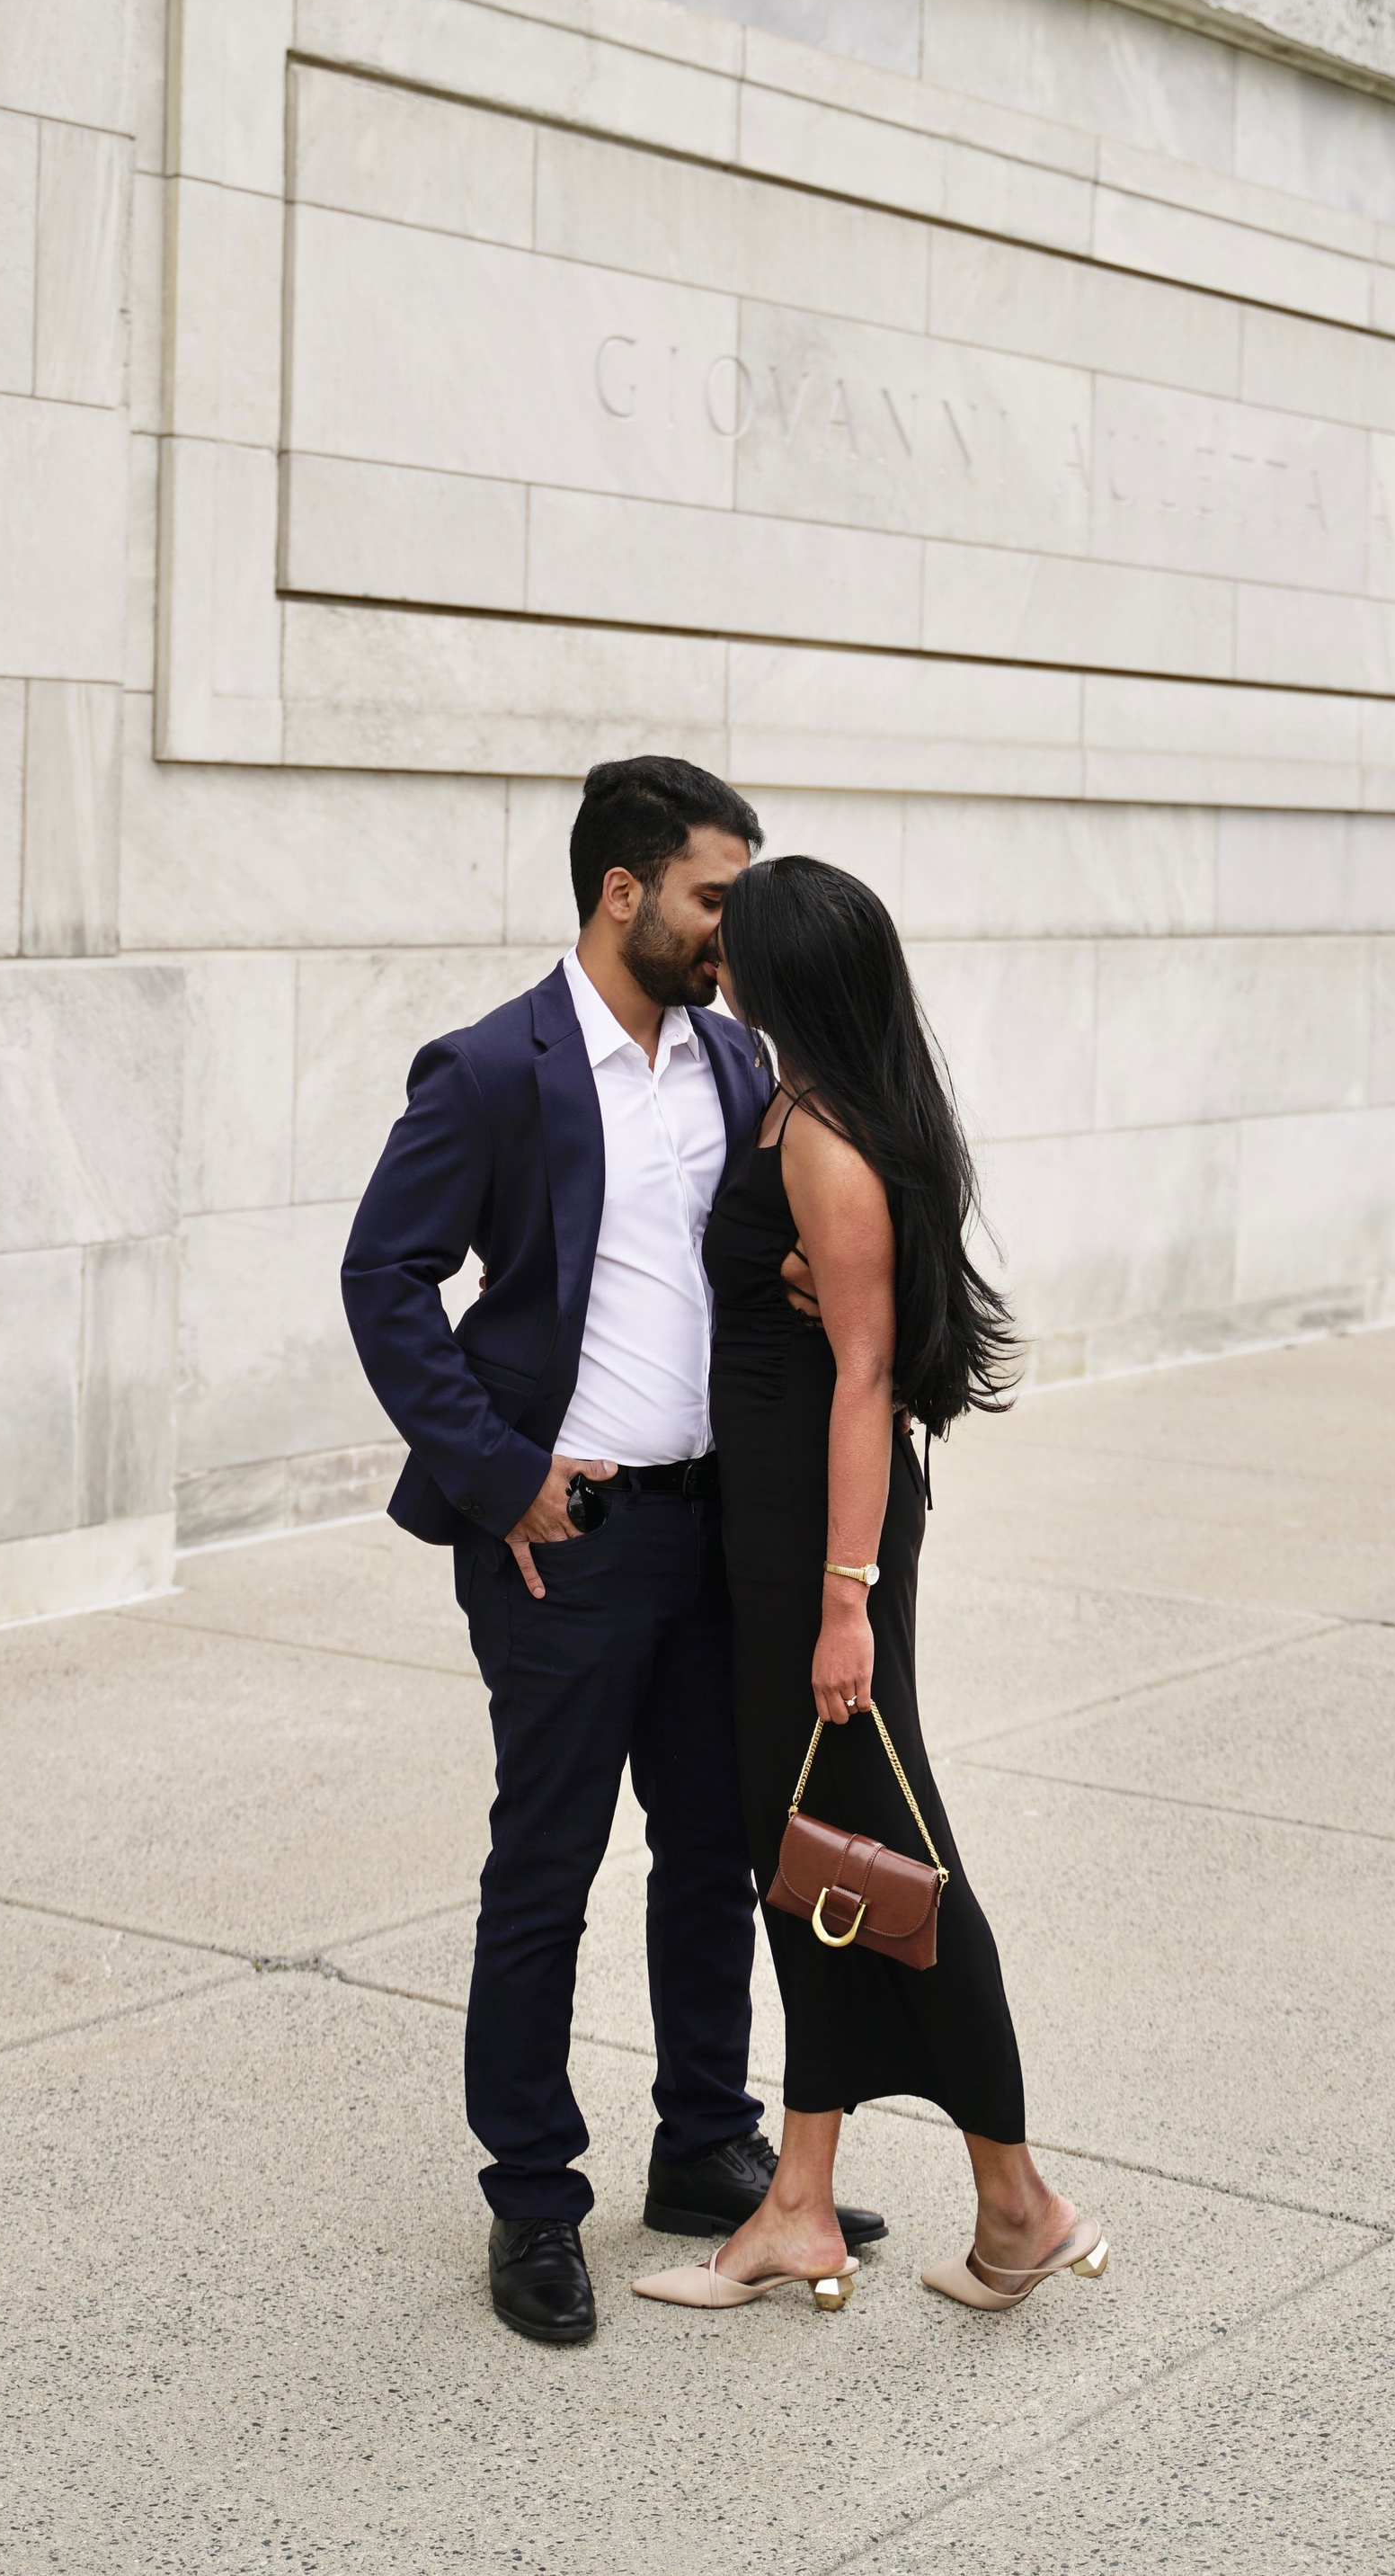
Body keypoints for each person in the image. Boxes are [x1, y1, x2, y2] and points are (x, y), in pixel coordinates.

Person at [340, 759, 888, 2345]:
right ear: (623, 891)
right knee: (547, 1869)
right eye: (715, 894)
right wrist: (504, 1477)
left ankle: (705, 2141)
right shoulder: (495, 1069)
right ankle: (531, 2196)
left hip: (719, 1533)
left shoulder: (735, 1057)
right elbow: (387, 1277)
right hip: (565, 1545)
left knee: (713, 1854)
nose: (737, 925)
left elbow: (729, 1261)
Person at [633, 854, 1107, 2319]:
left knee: (899, 1861)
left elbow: (860, 1378)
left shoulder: (824, 1135)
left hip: (814, 1546)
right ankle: (799, 2203)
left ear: (784, 969)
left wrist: (844, 1599)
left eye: (739, 928)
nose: (717, 943)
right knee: (821, 1857)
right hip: (780, 1533)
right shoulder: (793, 1097)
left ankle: (1020, 2199)